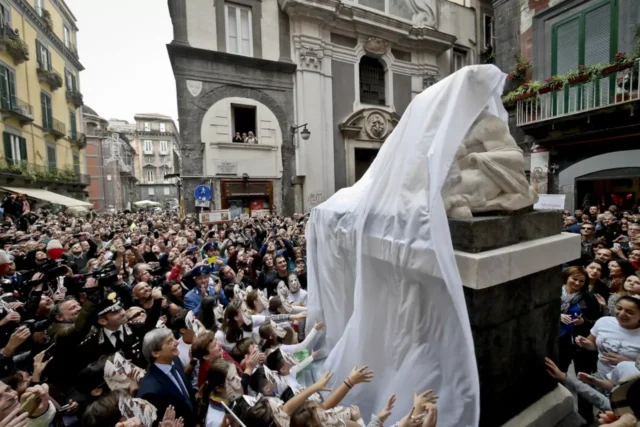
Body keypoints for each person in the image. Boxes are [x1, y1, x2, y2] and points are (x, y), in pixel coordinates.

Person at [138, 328, 196, 427]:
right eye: (170, 342)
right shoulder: (150, 392)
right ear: (156, 353)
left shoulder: (175, 359)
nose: (177, 342)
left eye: (174, 338)